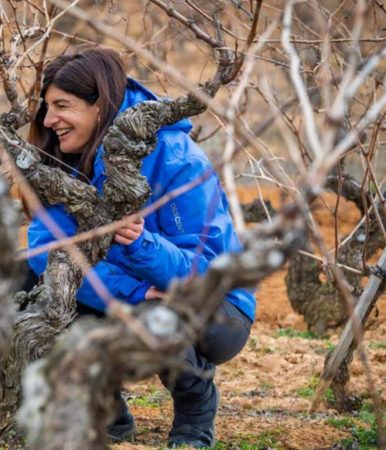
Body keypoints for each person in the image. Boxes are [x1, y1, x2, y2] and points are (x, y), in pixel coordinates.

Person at [25, 48, 256, 448]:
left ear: (101, 105)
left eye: (62, 106)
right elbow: (46, 250)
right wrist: (132, 290)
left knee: (157, 315)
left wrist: (141, 245)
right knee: (24, 286)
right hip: (127, 296)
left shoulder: (178, 159)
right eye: (47, 107)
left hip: (215, 310)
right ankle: (107, 412)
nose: (48, 120)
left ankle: (194, 411)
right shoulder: (63, 161)